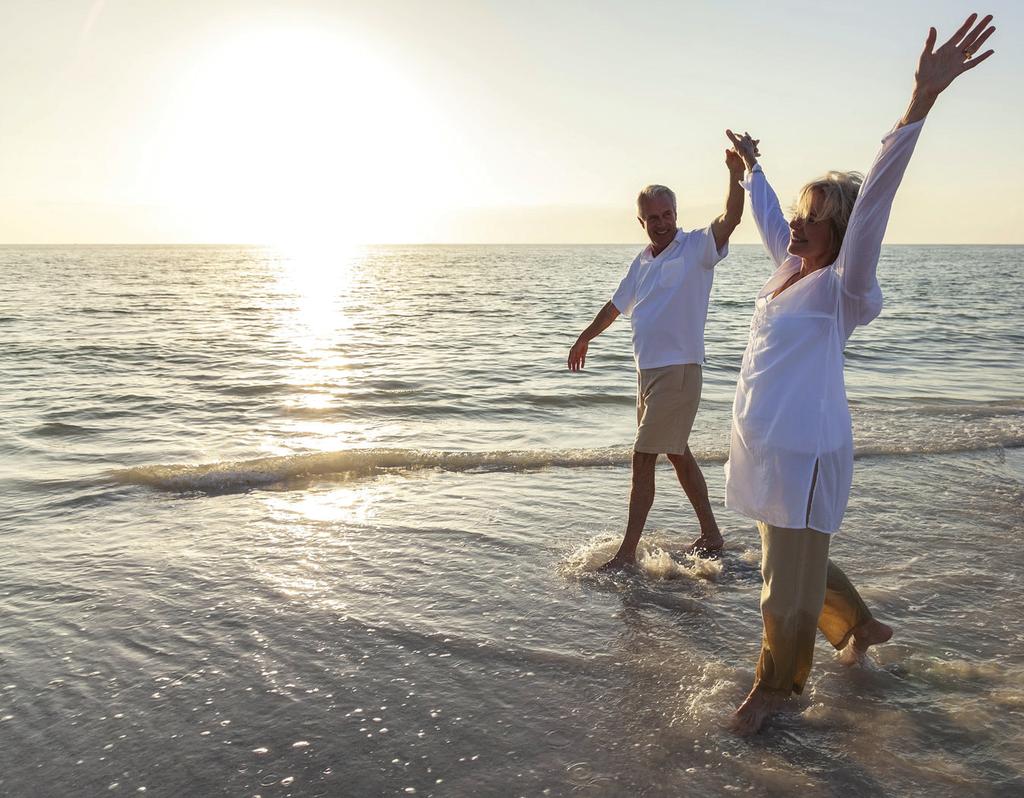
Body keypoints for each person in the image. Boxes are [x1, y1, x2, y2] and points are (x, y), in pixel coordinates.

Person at [724, 14, 996, 735]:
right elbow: (764, 217)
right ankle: (861, 627)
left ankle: (776, 691)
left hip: (807, 451)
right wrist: (752, 168)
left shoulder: (842, 286)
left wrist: (919, 103)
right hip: (772, 450)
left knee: (783, 585)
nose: (798, 225)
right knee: (791, 562)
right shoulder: (787, 272)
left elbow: (875, 201)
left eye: (814, 218)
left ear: (840, 229)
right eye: (799, 215)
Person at [567, 145, 745, 568]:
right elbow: (615, 305)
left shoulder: (697, 247)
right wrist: (585, 337)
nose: (661, 223)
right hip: (647, 374)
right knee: (677, 453)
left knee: (643, 455)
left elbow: (731, 218)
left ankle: (627, 553)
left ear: (676, 214)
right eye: (653, 218)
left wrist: (735, 174)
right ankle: (712, 534)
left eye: (667, 215)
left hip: (680, 370)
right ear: (642, 221)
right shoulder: (642, 261)